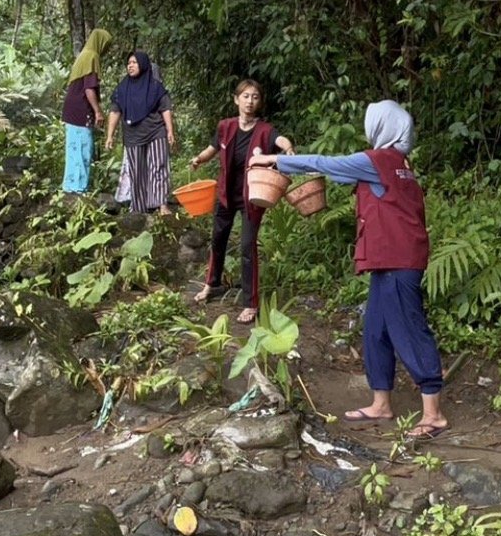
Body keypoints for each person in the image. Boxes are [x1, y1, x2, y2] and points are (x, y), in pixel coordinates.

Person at [253, 100, 446, 437]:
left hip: (398, 262)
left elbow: (326, 164)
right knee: (376, 332)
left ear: (382, 127)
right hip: (392, 260)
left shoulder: (377, 162)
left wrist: (275, 160)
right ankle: (381, 403)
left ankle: (433, 415)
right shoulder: (401, 163)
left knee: (410, 330)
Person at [190, 80, 293, 325]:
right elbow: (211, 149)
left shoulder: (266, 131)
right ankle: (211, 284)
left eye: (255, 97)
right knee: (218, 239)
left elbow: (282, 141)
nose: (250, 101)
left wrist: (289, 150)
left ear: (259, 102)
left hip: (253, 196)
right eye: (245, 96)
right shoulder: (225, 127)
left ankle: (251, 303)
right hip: (226, 194)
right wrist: (198, 160)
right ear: (236, 99)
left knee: (247, 247)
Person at [104, 51, 175, 215]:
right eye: (129, 63)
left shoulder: (155, 87)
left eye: (135, 62)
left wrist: (170, 131)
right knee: (137, 172)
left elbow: (165, 108)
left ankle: (161, 204)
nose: (131, 66)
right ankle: (139, 208)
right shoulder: (122, 89)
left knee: (158, 167)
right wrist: (109, 135)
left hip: (156, 131)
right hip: (132, 135)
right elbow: (115, 111)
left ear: (143, 65)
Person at [61, 27, 112, 193]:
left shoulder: (83, 55)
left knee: (73, 148)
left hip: (71, 109)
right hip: (81, 110)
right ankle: (78, 188)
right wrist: (98, 111)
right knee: (83, 147)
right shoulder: (92, 57)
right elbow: (89, 88)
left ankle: (70, 186)